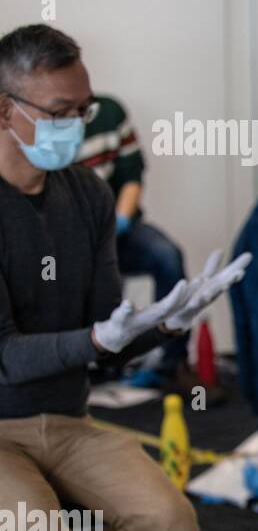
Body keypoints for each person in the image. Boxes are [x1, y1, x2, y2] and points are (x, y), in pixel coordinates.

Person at [0, 24, 248, 531]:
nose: (78, 126)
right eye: (60, 112)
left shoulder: (87, 196)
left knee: (170, 525)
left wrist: (170, 320)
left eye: (84, 109)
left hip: (68, 419)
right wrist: (99, 343)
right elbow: (8, 355)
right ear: (4, 109)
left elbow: (109, 331)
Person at [77, 94, 192, 389]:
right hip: (66, 241)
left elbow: (132, 176)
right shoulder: (36, 129)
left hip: (118, 229)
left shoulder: (109, 112)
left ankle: (172, 363)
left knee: (167, 256)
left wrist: (117, 225)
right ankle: (91, 363)